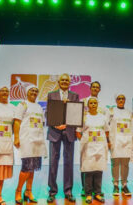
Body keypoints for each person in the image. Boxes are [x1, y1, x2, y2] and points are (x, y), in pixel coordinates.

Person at [47, 73, 79, 203]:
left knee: (69, 162)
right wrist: (55, 124)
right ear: (59, 82)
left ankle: (68, 191)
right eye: (62, 80)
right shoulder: (51, 94)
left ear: (69, 82)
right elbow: (48, 112)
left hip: (69, 132)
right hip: (54, 132)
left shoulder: (74, 96)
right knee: (53, 163)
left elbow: (76, 113)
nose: (65, 81)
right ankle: (52, 191)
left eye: (67, 80)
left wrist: (67, 124)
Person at [13, 85, 47, 204]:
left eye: (36, 91)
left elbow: (42, 123)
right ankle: (18, 191)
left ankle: (28, 191)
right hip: (26, 139)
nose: (34, 92)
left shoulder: (38, 107)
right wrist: (16, 137)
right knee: (26, 168)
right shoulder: (23, 105)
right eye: (32, 90)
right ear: (27, 92)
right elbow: (17, 122)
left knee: (32, 169)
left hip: (37, 141)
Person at [76, 97, 110, 204]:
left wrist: (106, 143)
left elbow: (107, 132)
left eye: (95, 103)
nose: (93, 105)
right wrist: (84, 142)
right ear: (88, 105)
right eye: (91, 103)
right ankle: (88, 194)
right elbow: (78, 132)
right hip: (88, 148)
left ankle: (98, 193)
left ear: (97, 105)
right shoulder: (84, 118)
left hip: (100, 146)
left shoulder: (103, 117)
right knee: (89, 171)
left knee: (98, 170)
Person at [108, 94, 133, 196]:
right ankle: (115, 185)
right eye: (119, 99)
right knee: (115, 164)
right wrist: (108, 141)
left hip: (126, 142)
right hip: (115, 141)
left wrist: (132, 141)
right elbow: (107, 126)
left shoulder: (129, 113)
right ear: (116, 100)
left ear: (125, 100)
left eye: (122, 98)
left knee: (125, 164)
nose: (121, 100)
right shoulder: (111, 112)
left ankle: (124, 185)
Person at [81, 81, 105, 197]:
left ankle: (97, 191)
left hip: (98, 142)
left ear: (99, 90)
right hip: (88, 141)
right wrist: (83, 140)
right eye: (93, 87)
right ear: (90, 88)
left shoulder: (102, 105)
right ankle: (85, 189)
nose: (95, 89)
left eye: (97, 87)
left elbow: (105, 126)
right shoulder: (84, 101)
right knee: (86, 165)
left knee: (97, 166)